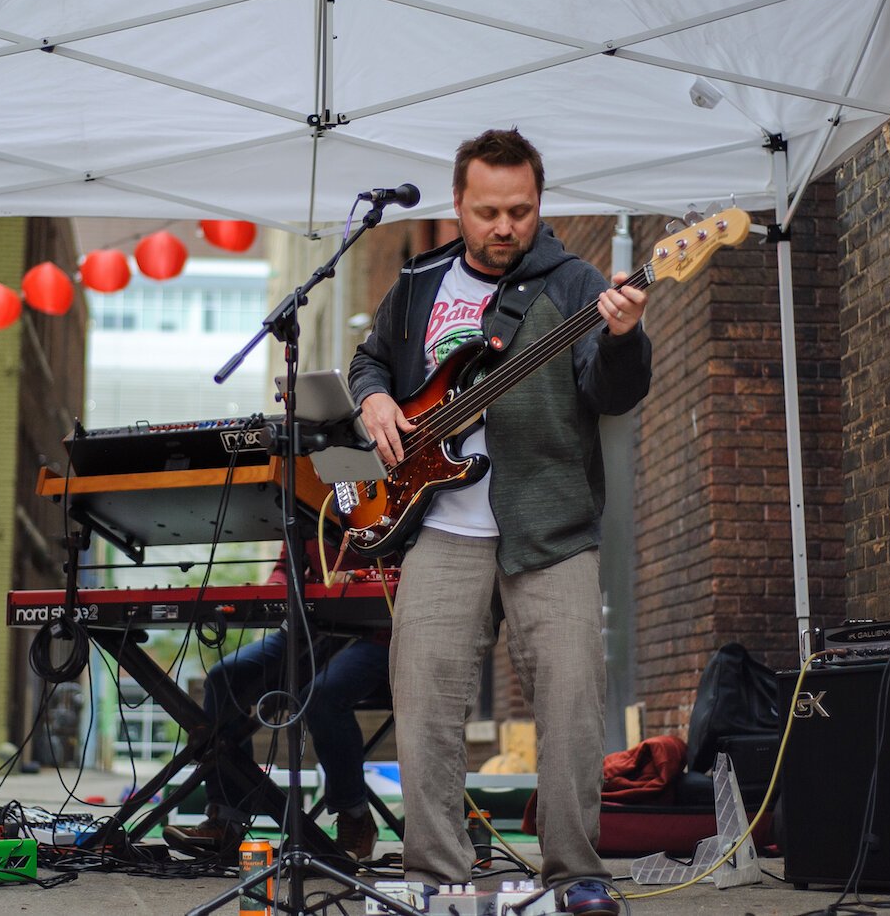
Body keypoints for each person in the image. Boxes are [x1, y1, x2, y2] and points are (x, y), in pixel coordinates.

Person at [347, 128, 651, 916]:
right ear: (458, 203)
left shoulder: (578, 282)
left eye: (520, 209)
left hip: (549, 523)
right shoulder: (417, 284)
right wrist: (374, 399)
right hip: (439, 521)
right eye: (487, 211)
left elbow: (612, 393)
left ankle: (576, 873)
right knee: (424, 703)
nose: (504, 226)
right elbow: (370, 360)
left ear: (540, 203)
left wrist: (624, 336)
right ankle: (439, 875)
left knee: (573, 702)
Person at [161, 629, 390, 861]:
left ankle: (355, 817)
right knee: (224, 678)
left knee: (323, 696)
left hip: (378, 636)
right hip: (306, 631)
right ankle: (226, 822)